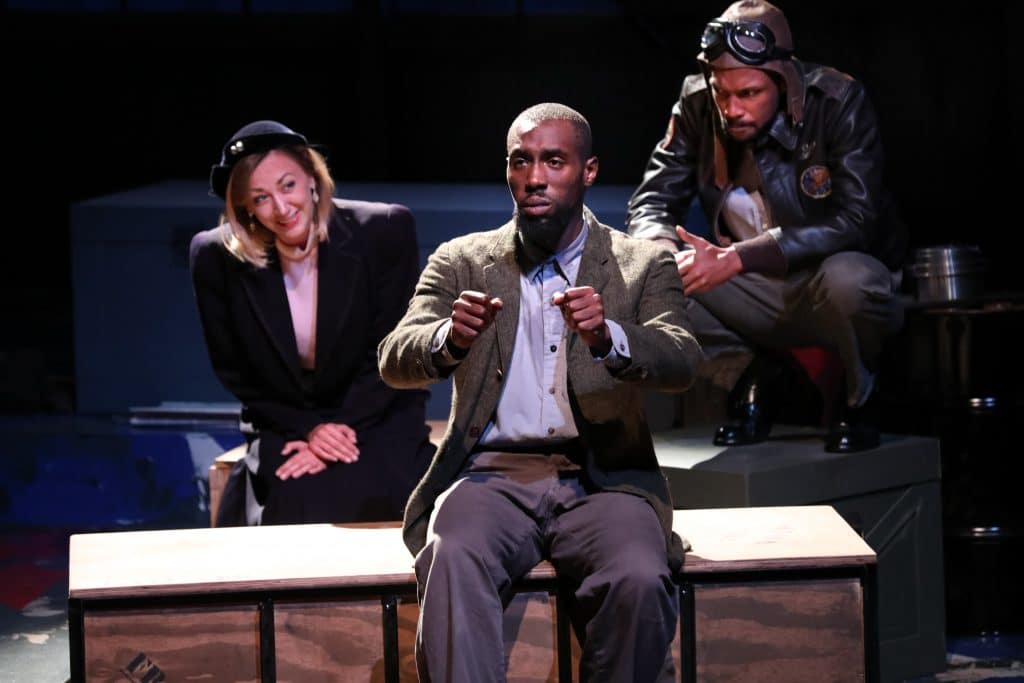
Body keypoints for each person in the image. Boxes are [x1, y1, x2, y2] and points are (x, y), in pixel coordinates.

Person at [378, 103, 702, 682]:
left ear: (589, 171)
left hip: (604, 478)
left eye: (553, 161)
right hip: (490, 476)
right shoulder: (462, 261)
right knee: (451, 557)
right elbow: (394, 359)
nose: (534, 177)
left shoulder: (641, 263)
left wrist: (609, 339)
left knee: (640, 577)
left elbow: (680, 358)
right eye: (521, 161)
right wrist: (448, 338)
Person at [626, 0, 907, 452]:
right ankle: (752, 376)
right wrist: (660, 248)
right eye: (722, 92)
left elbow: (857, 220)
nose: (731, 108)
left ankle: (859, 398)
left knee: (850, 280)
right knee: (652, 273)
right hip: (753, 289)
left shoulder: (835, 100)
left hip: (825, 279)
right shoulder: (698, 103)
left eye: (749, 94)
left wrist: (738, 257)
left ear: (783, 80)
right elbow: (652, 200)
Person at [190, 120, 433, 526]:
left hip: (375, 408)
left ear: (311, 178)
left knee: (377, 492)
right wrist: (309, 429)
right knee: (293, 497)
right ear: (246, 207)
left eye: (288, 186)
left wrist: (337, 429)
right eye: (261, 198)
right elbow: (235, 371)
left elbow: (394, 349)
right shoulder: (215, 256)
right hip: (287, 417)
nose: (281, 209)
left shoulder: (384, 229)